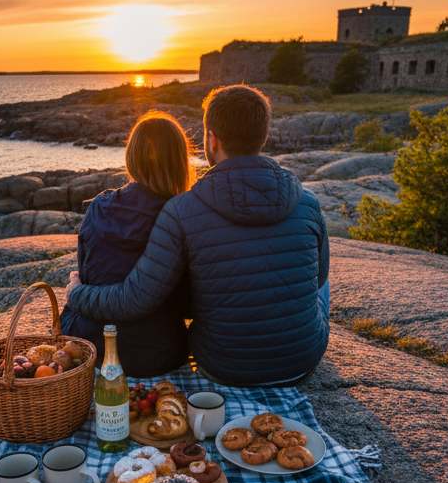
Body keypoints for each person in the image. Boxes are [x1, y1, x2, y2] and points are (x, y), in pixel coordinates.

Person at [66, 85, 329, 388]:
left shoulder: (182, 210)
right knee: (320, 284)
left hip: (222, 366)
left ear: (212, 139)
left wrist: (76, 294)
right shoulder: (308, 202)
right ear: (264, 136)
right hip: (303, 363)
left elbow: (137, 298)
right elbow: (318, 278)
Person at [59, 111, 192, 377]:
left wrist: (77, 290)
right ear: (179, 161)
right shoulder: (181, 216)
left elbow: (86, 272)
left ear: (131, 157)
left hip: (92, 348)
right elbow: (188, 300)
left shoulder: (98, 207)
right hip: (156, 354)